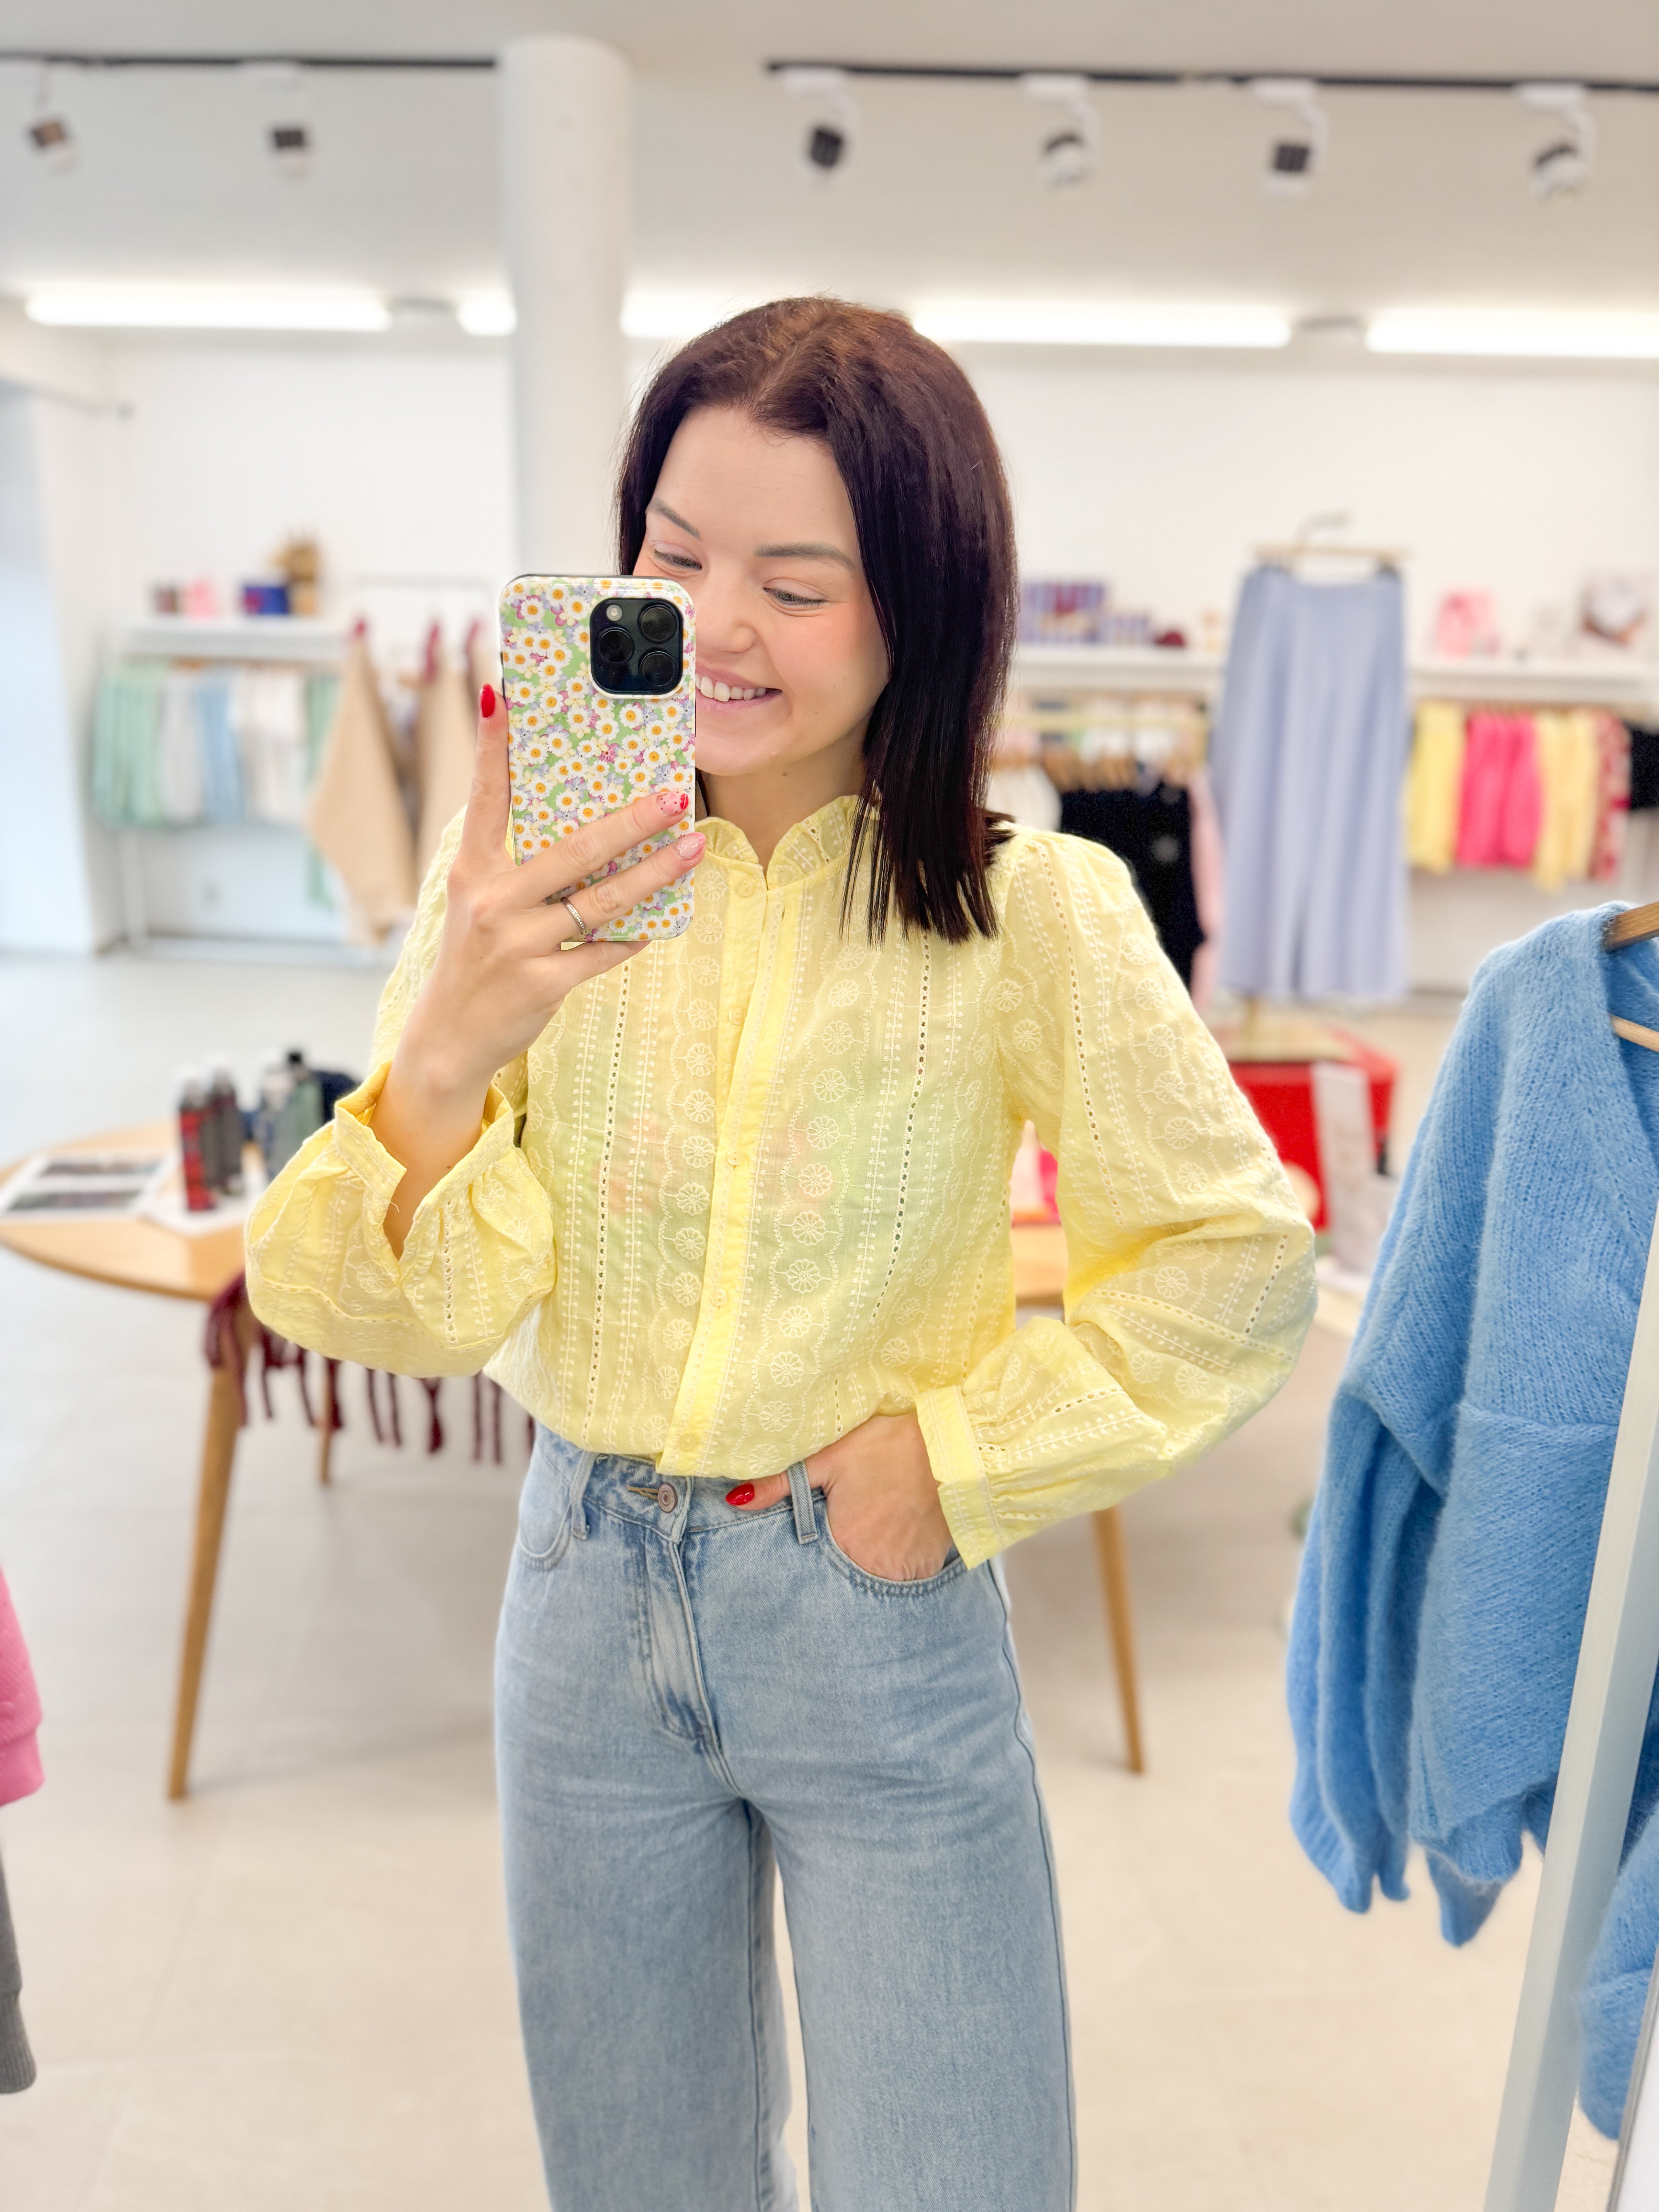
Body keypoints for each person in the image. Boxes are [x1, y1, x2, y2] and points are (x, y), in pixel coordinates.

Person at [247, 296, 1314, 2212]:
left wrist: (959, 1465)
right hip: (582, 1599)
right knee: (641, 2182)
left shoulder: (1032, 913)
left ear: (919, 603)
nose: (715, 625)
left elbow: (1236, 1262)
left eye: (795, 580)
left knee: (958, 2181)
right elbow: (361, 1305)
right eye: (672, 556)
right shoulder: (525, 881)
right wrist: (450, 1044)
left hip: (869, 1610)